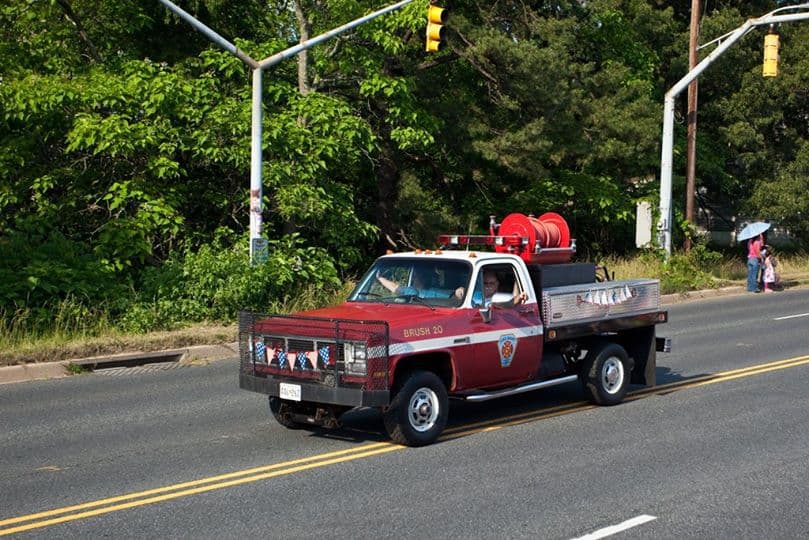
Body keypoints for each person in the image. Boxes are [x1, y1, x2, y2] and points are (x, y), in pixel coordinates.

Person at [376, 268, 464, 300]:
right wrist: (380, 278)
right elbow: (394, 287)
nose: (423, 277)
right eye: (420, 274)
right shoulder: (409, 290)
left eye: (425, 275)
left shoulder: (437, 292)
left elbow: (454, 296)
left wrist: (459, 291)